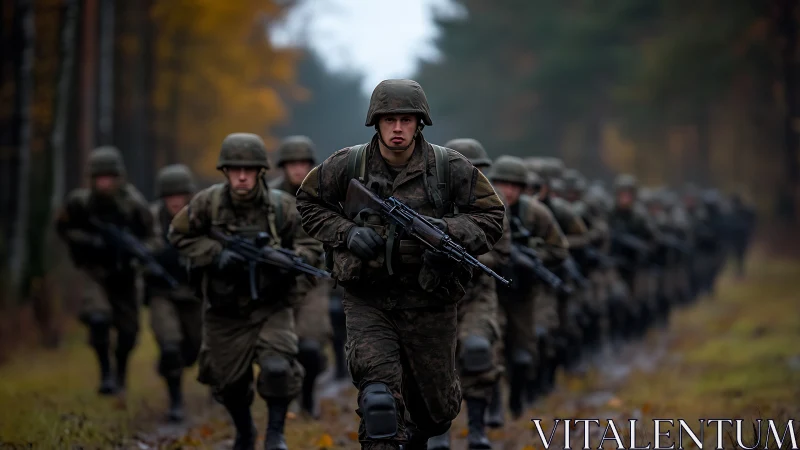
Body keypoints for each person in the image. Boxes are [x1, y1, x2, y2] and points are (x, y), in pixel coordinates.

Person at [296, 79, 505, 450]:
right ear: (375, 122)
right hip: (369, 299)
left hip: (430, 300)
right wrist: (345, 233)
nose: (397, 128)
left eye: (406, 120)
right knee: (379, 404)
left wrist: (446, 232)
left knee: (435, 413)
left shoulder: (448, 167)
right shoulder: (349, 164)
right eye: (389, 119)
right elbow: (309, 204)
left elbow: (491, 214)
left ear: (419, 123)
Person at [169, 133, 320, 450]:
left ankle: (276, 435)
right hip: (224, 312)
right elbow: (179, 234)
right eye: (235, 169)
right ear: (225, 171)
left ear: (260, 172)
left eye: (248, 169)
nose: (241, 176)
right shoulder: (208, 203)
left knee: (278, 368)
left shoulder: (282, 207)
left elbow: (311, 245)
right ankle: (245, 431)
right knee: (228, 383)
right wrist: (216, 254)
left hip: (271, 308)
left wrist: (290, 265)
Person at [55, 146, 153, 396]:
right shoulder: (80, 202)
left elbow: (152, 237)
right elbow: (63, 229)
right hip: (94, 272)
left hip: (125, 275)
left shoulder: (134, 204)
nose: (105, 183)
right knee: (98, 318)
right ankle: (106, 374)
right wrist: (90, 241)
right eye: (100, 178)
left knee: (129, 333)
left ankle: (120, 372)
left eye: (109, 177)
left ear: (119, 177)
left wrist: (136, 252)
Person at [270, 135, 334, 417]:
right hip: (275, 281)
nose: (298, 169)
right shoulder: (268, 197)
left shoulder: (325, 195)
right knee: (279, 348)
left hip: (312, 281)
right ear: (283, 166)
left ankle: (307, 399)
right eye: (292, 164)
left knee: (309, 346)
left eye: (303, 163)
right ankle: (284, 399)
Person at [146, 164, 203, 422]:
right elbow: (138, 249)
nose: (175, 202)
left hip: (193, 294)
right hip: (162, 293)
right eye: (170, 197)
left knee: (196, 349)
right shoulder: (151, 219)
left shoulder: (202, 217)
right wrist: (154, 258)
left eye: (180, 196)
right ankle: (176, 402)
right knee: (170, 345)